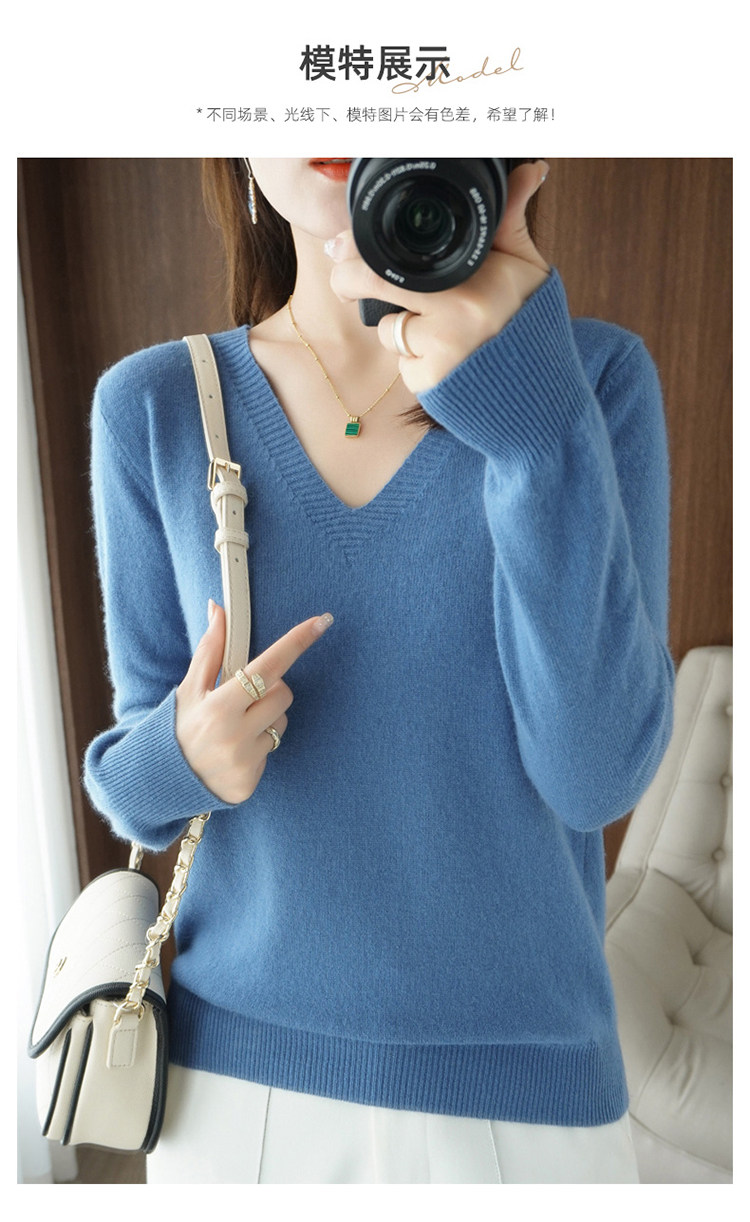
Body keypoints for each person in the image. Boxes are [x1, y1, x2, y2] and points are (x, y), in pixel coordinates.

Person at [83, 157, 674, 1183]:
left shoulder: (591, 380)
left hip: (528, 1102)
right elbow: (134, 793)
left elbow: (596, 778)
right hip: (238, 1102)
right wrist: (186, 754)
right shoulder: (156, 405)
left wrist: (535, 434)